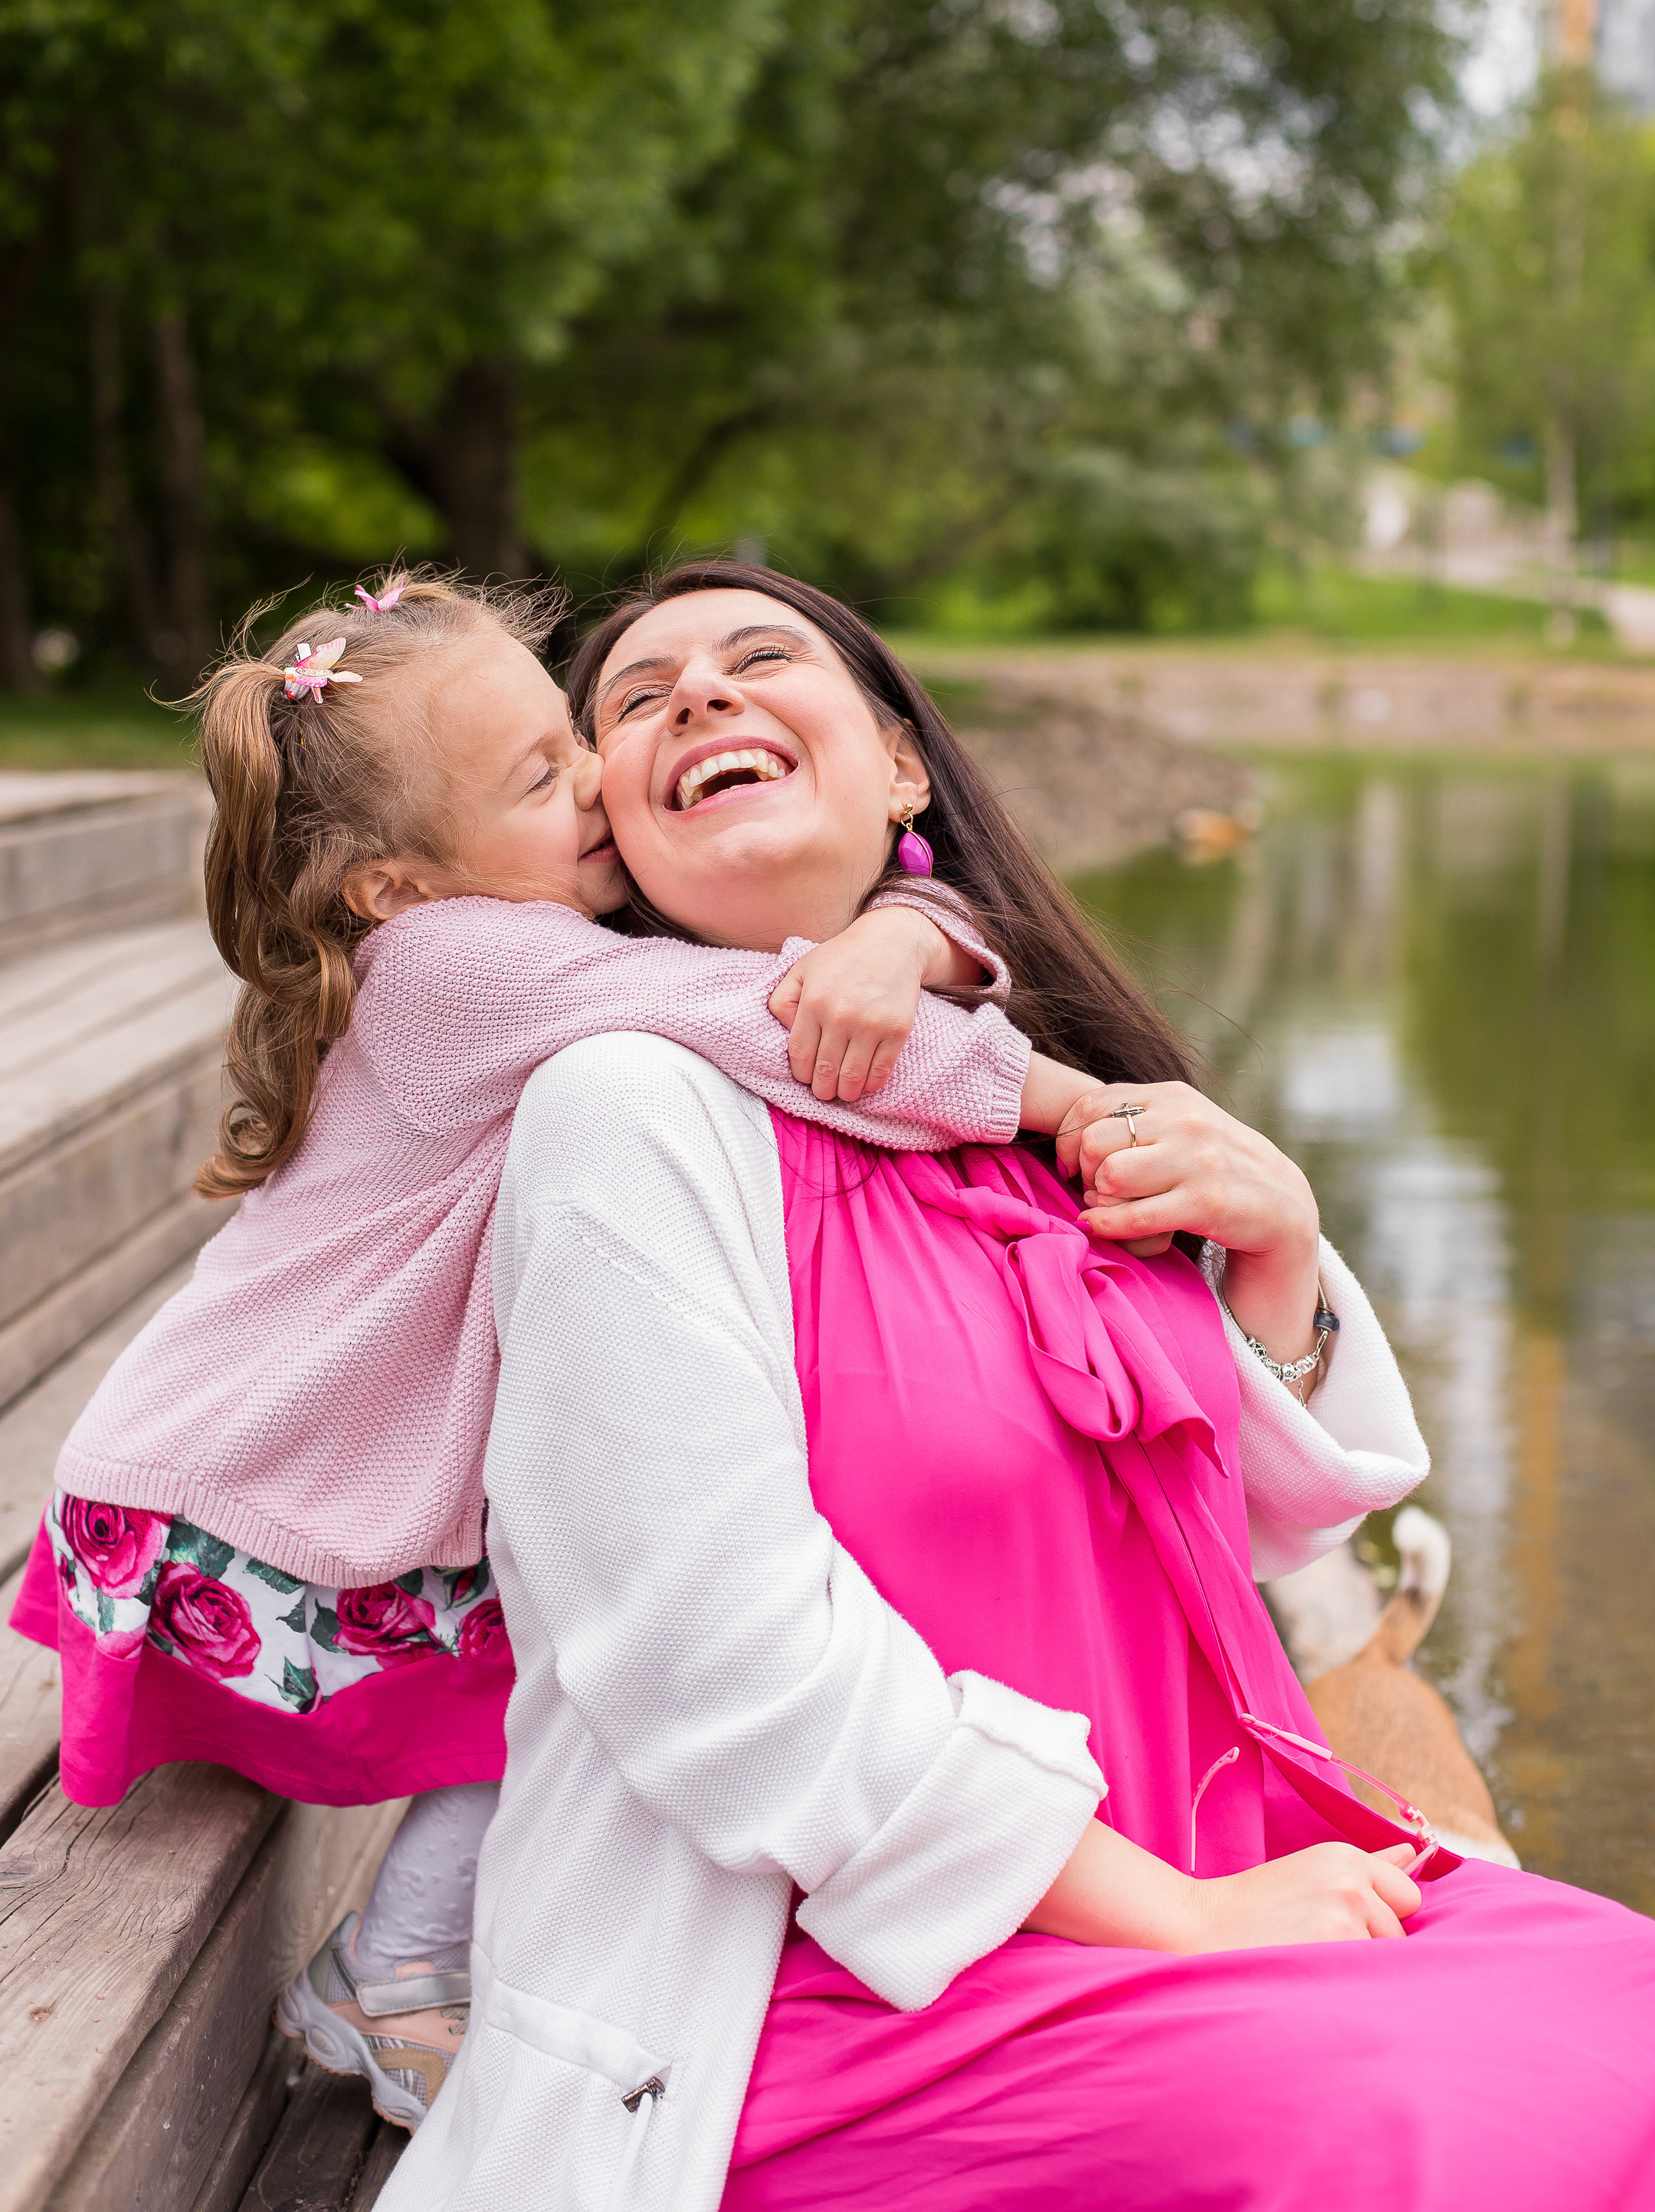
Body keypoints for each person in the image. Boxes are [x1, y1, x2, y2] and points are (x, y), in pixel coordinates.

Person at [381, 560, 1655, 2212]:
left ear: (903, 766)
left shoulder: (1015, 1107)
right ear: (611, 827)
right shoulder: (623, 1114)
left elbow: (1255, 1530)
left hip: (1205, 1875)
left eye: (759, 657)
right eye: (638, 699)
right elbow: (721, 1665)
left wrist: (1274, 1264)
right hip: (837, 1987)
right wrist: (1178, 1918)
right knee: (1425, 2127)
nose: (699, 693)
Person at [7, 570, 1117, 2132]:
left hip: (238, 1450)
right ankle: (393, 1979)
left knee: (547, 1640)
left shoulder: (477, 938)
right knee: (547, 1663)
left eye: (565, 739)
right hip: (231, 1489)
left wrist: (919, 929)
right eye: (543, 776)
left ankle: (412, 1966)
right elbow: (773, 1018)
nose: (599, 777)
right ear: (396, 885)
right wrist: (1065, 1095)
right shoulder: (467, 964)